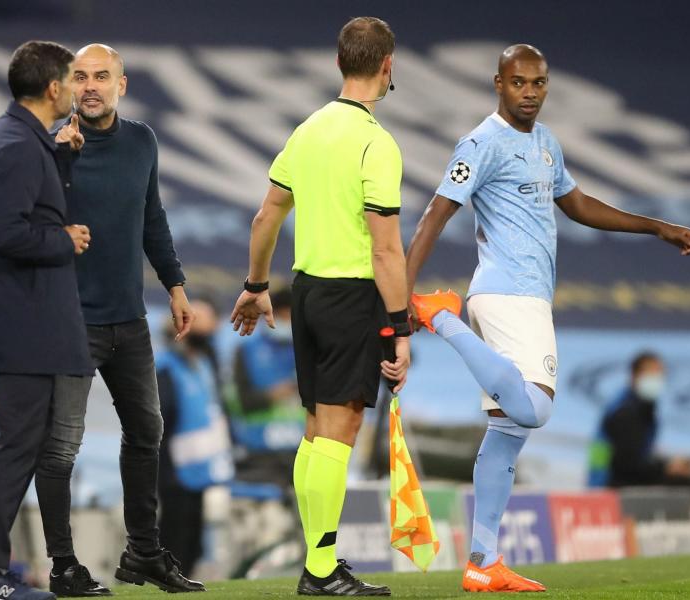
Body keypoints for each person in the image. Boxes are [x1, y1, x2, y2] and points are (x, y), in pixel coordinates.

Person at [405, 44, 690, 593]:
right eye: (519, 82)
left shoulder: (545, 144)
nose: (530, 93)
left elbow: (579, 204)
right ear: (498, 83)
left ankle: (482, 560)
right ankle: (441, 318)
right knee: (536, 408)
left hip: (530, 296)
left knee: (508, 430)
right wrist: (402, 292)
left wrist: (656, 227)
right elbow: (436, 210)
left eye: (539, 83)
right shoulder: (482, 142)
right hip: (506, 294)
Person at [229, 16, 410, 597]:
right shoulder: (376, 144)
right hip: (352, 296)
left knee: (315, 432)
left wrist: (257, 285)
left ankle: (318, 563)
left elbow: (265, 217)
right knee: (340, 430)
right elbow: (385, 249)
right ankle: (322, 569)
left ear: (340, 64)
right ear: (387, 66)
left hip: (305, 294)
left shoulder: (306, 130)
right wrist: (401, 327)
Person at [30, 43, 203, 596]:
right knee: (60, 448)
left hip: (129, 320)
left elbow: (152, 216)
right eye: (79, 77)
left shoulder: (142, 141)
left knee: (148, 433)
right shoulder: (48, 147)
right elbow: (23, 225)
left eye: (101, 76)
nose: (90, 86)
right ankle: (62, 566)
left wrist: (175, 286)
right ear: (65, 86)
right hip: (69, 322)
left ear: (121, 85)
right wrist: (57, 159)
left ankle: (144, 552)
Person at [0, 40, 93, 600]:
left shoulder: (13, 138)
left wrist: (61, 157)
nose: (80, 90)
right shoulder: (16, 148)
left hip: (20, 317)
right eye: (73, 80)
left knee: (21, 443)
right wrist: (64, 238)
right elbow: (6, 233)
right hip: (23, 320)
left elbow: (24, 204)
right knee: (17, 444)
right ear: (54, 88)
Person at [156, 296, 234, 579]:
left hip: (201, 465)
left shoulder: (204, 363)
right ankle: (168, 577)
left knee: (193, 531)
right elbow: (163, 418)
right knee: (174, 529)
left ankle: (184, 575)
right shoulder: (165, 366)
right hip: (172, 466)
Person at [589, 352, 690, 497]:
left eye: (660, 375)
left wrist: (670, 465)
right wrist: (667, 468)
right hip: (612, 485)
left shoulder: (645, 409)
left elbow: (640, 457)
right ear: (634, 377)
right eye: (651, 375)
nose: (657, 380)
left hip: (626, 478)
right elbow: (627, 465)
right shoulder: (625, 411)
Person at [229, 287, 304, 488]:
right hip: (260, 455)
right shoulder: (247, 351)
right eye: (282, 316)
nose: (287, 322)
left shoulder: (308, 351)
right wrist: (272, 395)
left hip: (302, 451)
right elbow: (241, 402)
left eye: (292, 316)